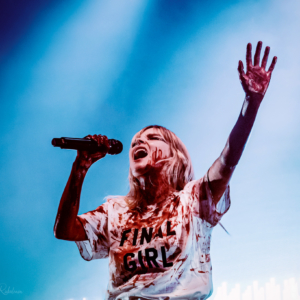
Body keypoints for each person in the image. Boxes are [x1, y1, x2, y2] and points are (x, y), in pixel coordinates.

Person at [54, 41, 277, 300]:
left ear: (175, 155)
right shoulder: (115, 211)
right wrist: (80, 167)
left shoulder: (192, 200)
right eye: (137, 139)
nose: (140, 141)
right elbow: (64, 230)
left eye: (152, 138)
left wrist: (251, 103)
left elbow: (228, 159)